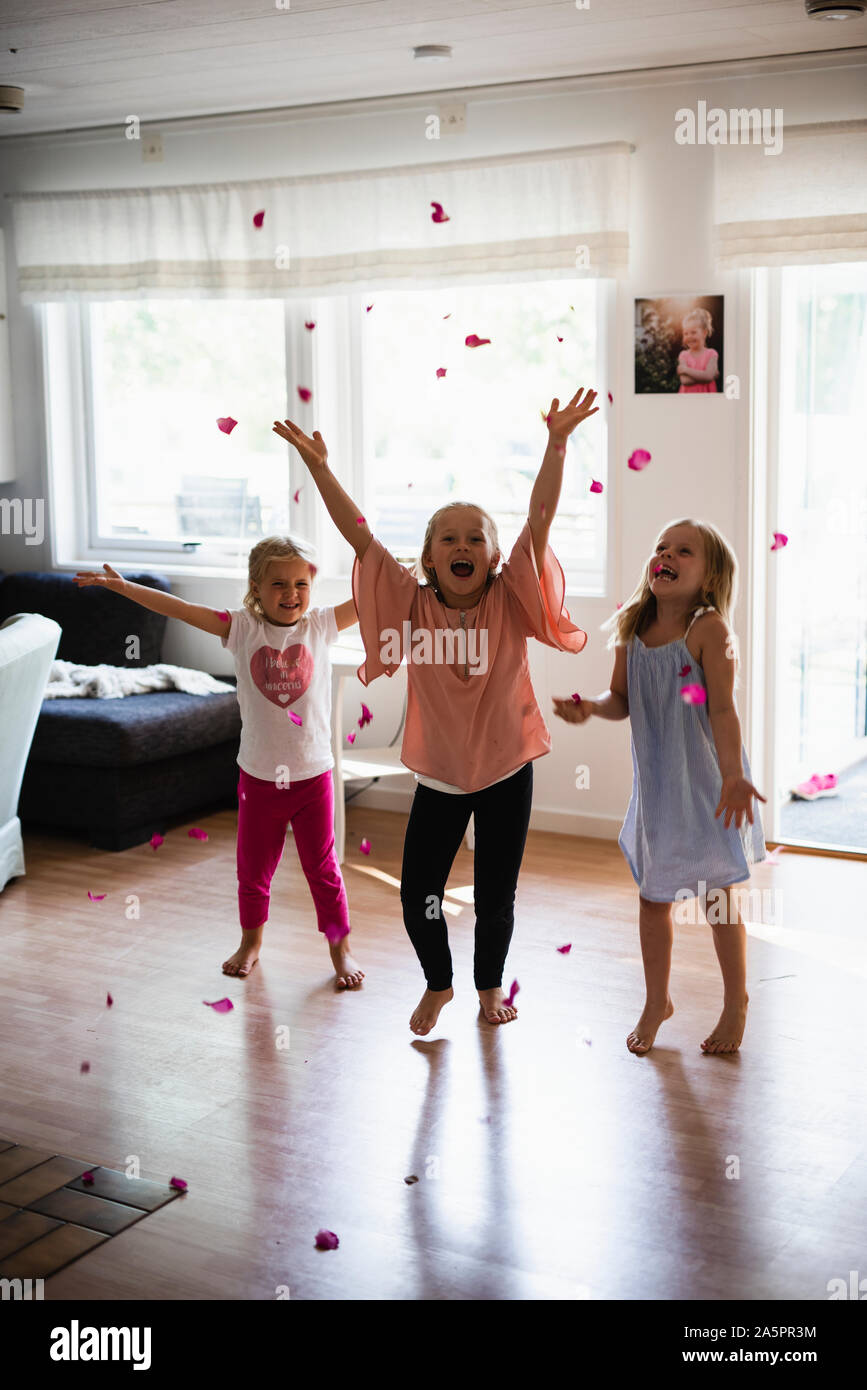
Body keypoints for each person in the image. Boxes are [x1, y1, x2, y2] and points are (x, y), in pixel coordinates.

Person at [274, 388, 597, 1034]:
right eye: (448, 537)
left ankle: (486, 988)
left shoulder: (509, 596)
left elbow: (539, 517)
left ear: (493, 554)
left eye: (474, 537)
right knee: (417, 892)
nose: (461, 544)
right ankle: (437, 983)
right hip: (439, 775)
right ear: (428, 558)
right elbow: (359, 537)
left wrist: (556, 441)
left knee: (494, 895)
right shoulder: (411, 602)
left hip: (507, 767)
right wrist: (318, 468)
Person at [73, 540, 364, 989]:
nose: (292, 593)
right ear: (256, 587)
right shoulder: (241, 628)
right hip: (259, 778)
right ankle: (251, 943)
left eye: (301, 584)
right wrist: (123, 587)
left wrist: (421, 581)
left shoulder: (321, 625)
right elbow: (181, 608)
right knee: (252, 871)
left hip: (312, 777)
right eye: (279, 584)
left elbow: (374, 600)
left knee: (323, 871)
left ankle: (341, 951)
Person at [553, 518, 765, 1055]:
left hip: (710, 784)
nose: (665, 555)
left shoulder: (709, 630)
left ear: (710, 576)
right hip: (659, 789)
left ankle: (736, 1000)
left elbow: (722, 708)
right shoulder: (632, 624)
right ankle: (656, 1001)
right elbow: (620, 698)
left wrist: (735, 777)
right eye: (660, 546)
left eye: (683, 551)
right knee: (652, 899)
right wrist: (589, 709)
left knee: (718, 898)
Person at [677, 307, 719, 393]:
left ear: (704, 333)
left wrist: (686, 370)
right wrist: (706, 376)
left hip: (707, 399)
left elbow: (709, 377)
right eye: (686, 333)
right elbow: (684, 380)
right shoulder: (683, 355)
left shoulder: (712, 354)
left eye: (693, 332)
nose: (689, 336)